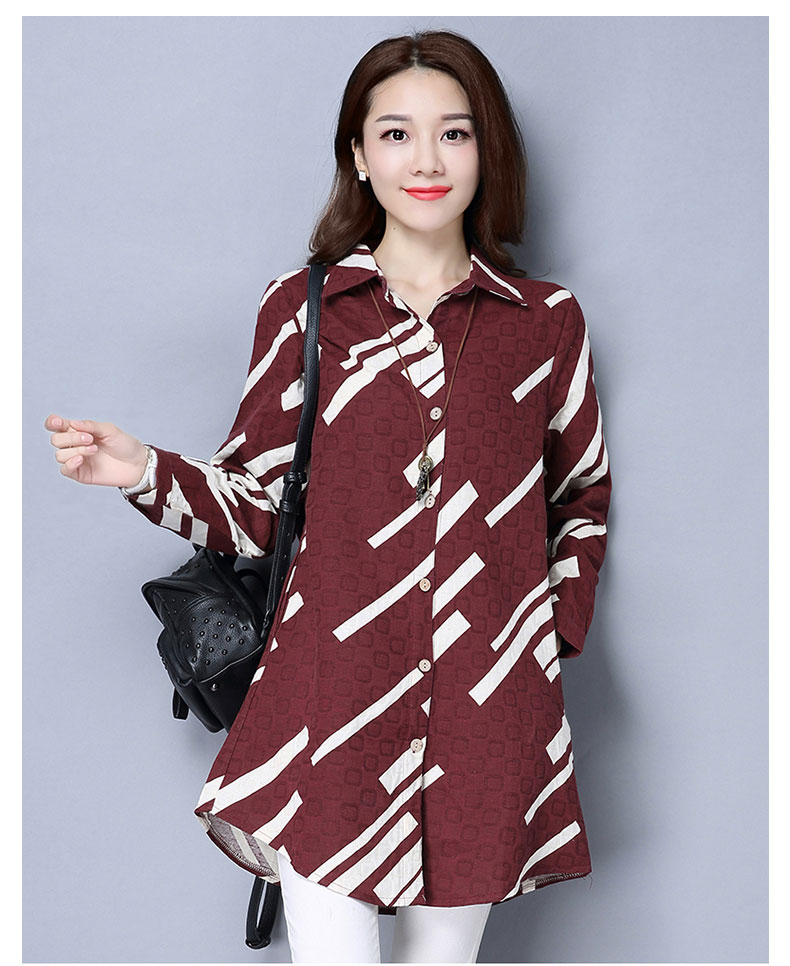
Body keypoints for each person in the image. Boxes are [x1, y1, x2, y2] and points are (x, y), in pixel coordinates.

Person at [44, 28, 612, 964]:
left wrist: (543, 632)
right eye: (396, 133)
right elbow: (260, 508)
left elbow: (580, 494)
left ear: (486, 151)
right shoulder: (306, 309)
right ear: (358, 153)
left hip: (486, 710)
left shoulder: (545, 323)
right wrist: (142, 470)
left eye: (455, 133)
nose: (425, 161)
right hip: (329, 704)